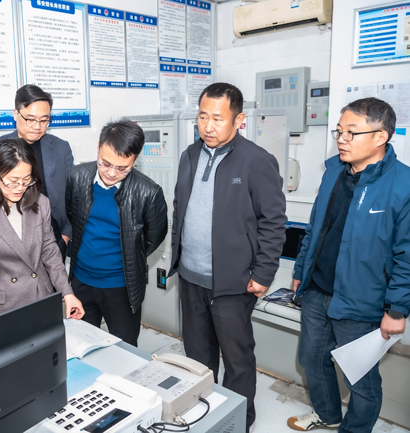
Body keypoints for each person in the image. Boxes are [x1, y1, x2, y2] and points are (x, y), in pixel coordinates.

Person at [169, 82, 287, 432]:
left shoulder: (257, 161)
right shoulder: (190, 155)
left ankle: (237, 422)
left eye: (217, 118)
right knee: (197, 356)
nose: (208, 126)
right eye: (202, 116)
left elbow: (273, 222)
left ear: (238, 120)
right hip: (191, 277)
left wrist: (263, 273)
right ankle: (203, 415)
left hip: (233, 283)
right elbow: (180, 207)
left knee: (237, 360)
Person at [287, 98, 409, 432]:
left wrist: (397, 309)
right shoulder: (333, 173)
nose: (341, 139)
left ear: (381, 136)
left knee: (361, 379)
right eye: (339, 131)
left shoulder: (403, 184)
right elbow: (315, 228)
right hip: (317, 290)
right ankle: (327, 415)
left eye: (351, 133)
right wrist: (300, 271)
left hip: (362, 302)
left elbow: (407, 256)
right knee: (311, 359)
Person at [0, 138, 84, 321]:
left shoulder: (41, 203)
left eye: (26, 180)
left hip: (41, 298)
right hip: (1, 308)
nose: (20, 188)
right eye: (13, 181)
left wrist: (67, 293)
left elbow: (50, 252)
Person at [65, 120, 168, 346]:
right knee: (81, 344)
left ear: (135, 159)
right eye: (105, 164)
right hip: (81, 280)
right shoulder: (77, 176)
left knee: (125, 349)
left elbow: (153, 237)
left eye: (122, 168)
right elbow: (73, 217)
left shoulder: (148, 192)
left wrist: (127, 255)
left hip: (121, 287)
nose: (112, 173)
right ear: (98, 147)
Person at [0, 85, 74, 260]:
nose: (37, 126)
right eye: (30, 119)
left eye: (44, 120)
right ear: (16, 114)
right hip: (10, 240)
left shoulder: (61, 148)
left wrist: (65, 236)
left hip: (54, 236)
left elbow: (73, 195)